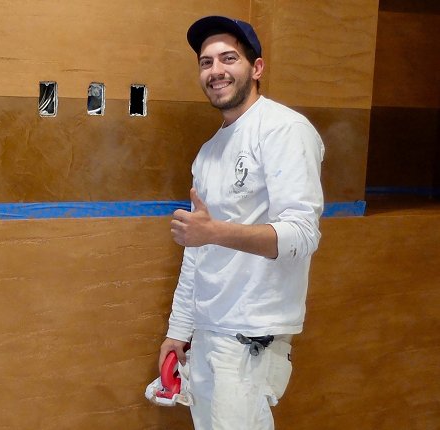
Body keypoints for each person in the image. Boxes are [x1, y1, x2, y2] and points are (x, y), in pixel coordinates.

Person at [157, 15, 325, 429]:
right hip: (209, 331)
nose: (216, 70)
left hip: (252, 335)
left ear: (257, 67)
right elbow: (197, 250)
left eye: (228, 58)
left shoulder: (284, 130)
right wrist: (179, 330)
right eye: (206, 62)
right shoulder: (209, 152)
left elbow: (302, 234)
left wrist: (215, 232)